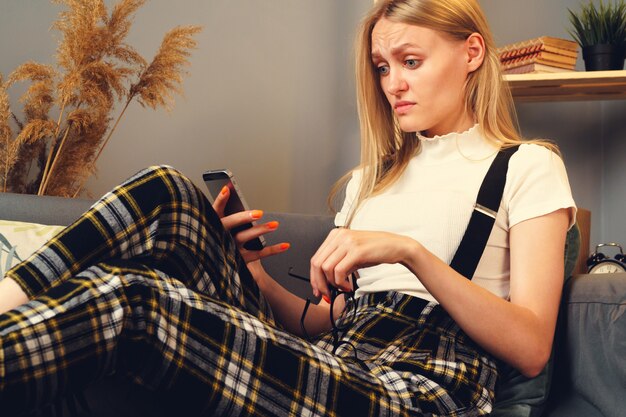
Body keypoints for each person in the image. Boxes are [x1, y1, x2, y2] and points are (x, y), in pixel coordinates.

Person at [0, 0, 576, 416]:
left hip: (420, 388)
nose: (393, 83)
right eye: (382, 67)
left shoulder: (526, 166)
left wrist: (411, 253)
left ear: (471, 52)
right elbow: (324, 323)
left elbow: (530, 349)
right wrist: (257, 278)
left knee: (137, 299)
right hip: (338, 358)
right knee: (168, 192)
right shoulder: (371, 181)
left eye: (410, 61)